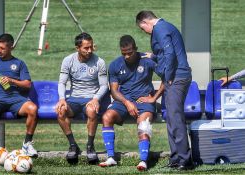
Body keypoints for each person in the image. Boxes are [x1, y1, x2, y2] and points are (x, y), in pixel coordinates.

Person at [136, 11, 193, 170]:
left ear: (145, 22)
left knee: (175, 118)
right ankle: (176, 158)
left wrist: (167, 76)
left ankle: (185, 160)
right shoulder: (166, 26)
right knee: (170, 118)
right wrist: (153, 56)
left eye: (143, 29)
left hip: (176, 77)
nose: (145, 32)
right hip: (176, 76)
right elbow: (165, 52)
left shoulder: (159, 29)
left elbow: (170, 54)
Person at [98, 35, 164, 171]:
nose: (127, 56)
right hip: (123, 100)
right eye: (124, 54)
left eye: (130, 53)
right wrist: (127, 102)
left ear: (136, 49)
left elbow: (167, 77)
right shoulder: (116, 64)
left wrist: (154, 98)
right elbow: (114, 91)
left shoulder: (147, 61)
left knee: (143, 124)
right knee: (106, 117)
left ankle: (143, 161)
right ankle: (111, 157)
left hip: (144, 100)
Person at [0, 33, 38, 157]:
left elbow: (27, 84)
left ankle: (27, 143)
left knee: (33, 109)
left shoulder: (19, 63)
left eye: (2, 48)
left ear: (11, 47)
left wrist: (11, 80)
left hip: (16, 100)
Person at [55, 32, 109, 164]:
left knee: (91, 111)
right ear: (77, 48)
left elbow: (104, 85)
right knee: (61, 111)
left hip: (90, 99)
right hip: (74, 99)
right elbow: (62, 82)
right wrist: (62, 99)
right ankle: (73, 145)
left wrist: (96, 99)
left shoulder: (99, 62)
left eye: (91, 47)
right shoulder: (68, 60)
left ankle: (90, 146)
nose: (89, 50)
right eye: (86, 48)